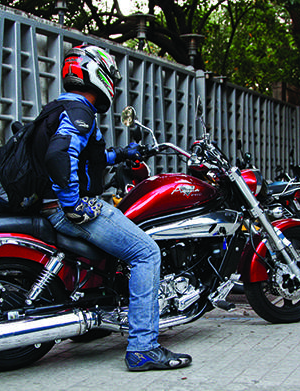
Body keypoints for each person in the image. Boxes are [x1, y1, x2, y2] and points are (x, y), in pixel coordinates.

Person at [39, 45, 192, 371]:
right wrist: (73, 205)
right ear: (95, 74)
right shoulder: (81, 111)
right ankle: (143, 348)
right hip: (64, 208)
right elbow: (59, 154)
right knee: (147, 253)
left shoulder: (61, 107)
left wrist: (122, 155)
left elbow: (86, 159)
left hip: (46, 205)